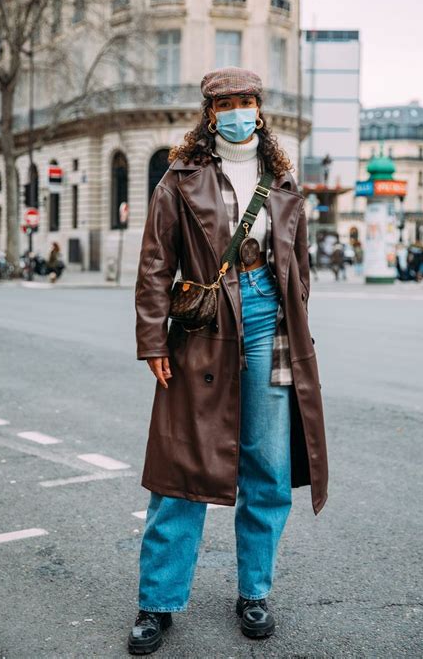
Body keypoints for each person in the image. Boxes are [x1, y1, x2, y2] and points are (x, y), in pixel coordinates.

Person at [131, 66, 328, 655]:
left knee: (267, 467)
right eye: (227, 103)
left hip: (271, 323)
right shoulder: (180, 176)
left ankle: (254, 592)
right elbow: (154, 264)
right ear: (210, 113)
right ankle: (157, 602)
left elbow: (298, 262)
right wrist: (152, 339)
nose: (239, 111)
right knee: (183, 469)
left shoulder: (283, 178)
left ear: (259, 110)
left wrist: (298, 316)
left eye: (247, 101)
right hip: (206, 325)